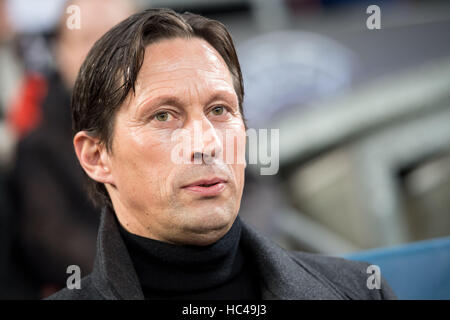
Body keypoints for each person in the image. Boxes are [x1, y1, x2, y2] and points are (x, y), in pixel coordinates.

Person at [48, 8, 396, 300]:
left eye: (219, 110)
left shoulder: (360, 290)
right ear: (96, 156)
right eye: (163, 115)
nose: (207, 144)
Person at [8, 0, 135, 298]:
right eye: (84, 38)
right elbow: (54, 242)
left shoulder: (185, 120)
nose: (102, 52)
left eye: (117, 37)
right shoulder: (38, 146)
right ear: (60, 53)